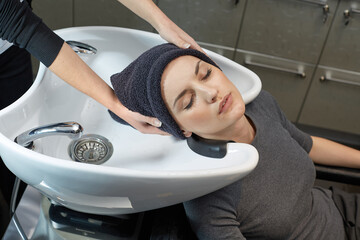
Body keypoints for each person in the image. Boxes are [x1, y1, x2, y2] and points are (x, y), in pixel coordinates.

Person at [109, 43, 360, 240]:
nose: (211, 93)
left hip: (342, 208)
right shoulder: (206, 194)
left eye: (206, 74)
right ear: (180, 128)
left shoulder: (261, 104)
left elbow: (308, 145)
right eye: (188, 101)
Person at [0, 0, 202, 236]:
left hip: (10, 48)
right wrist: (116, 104)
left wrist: (161, 23)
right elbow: (21, 24)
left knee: (11, 140)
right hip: (15, 28)